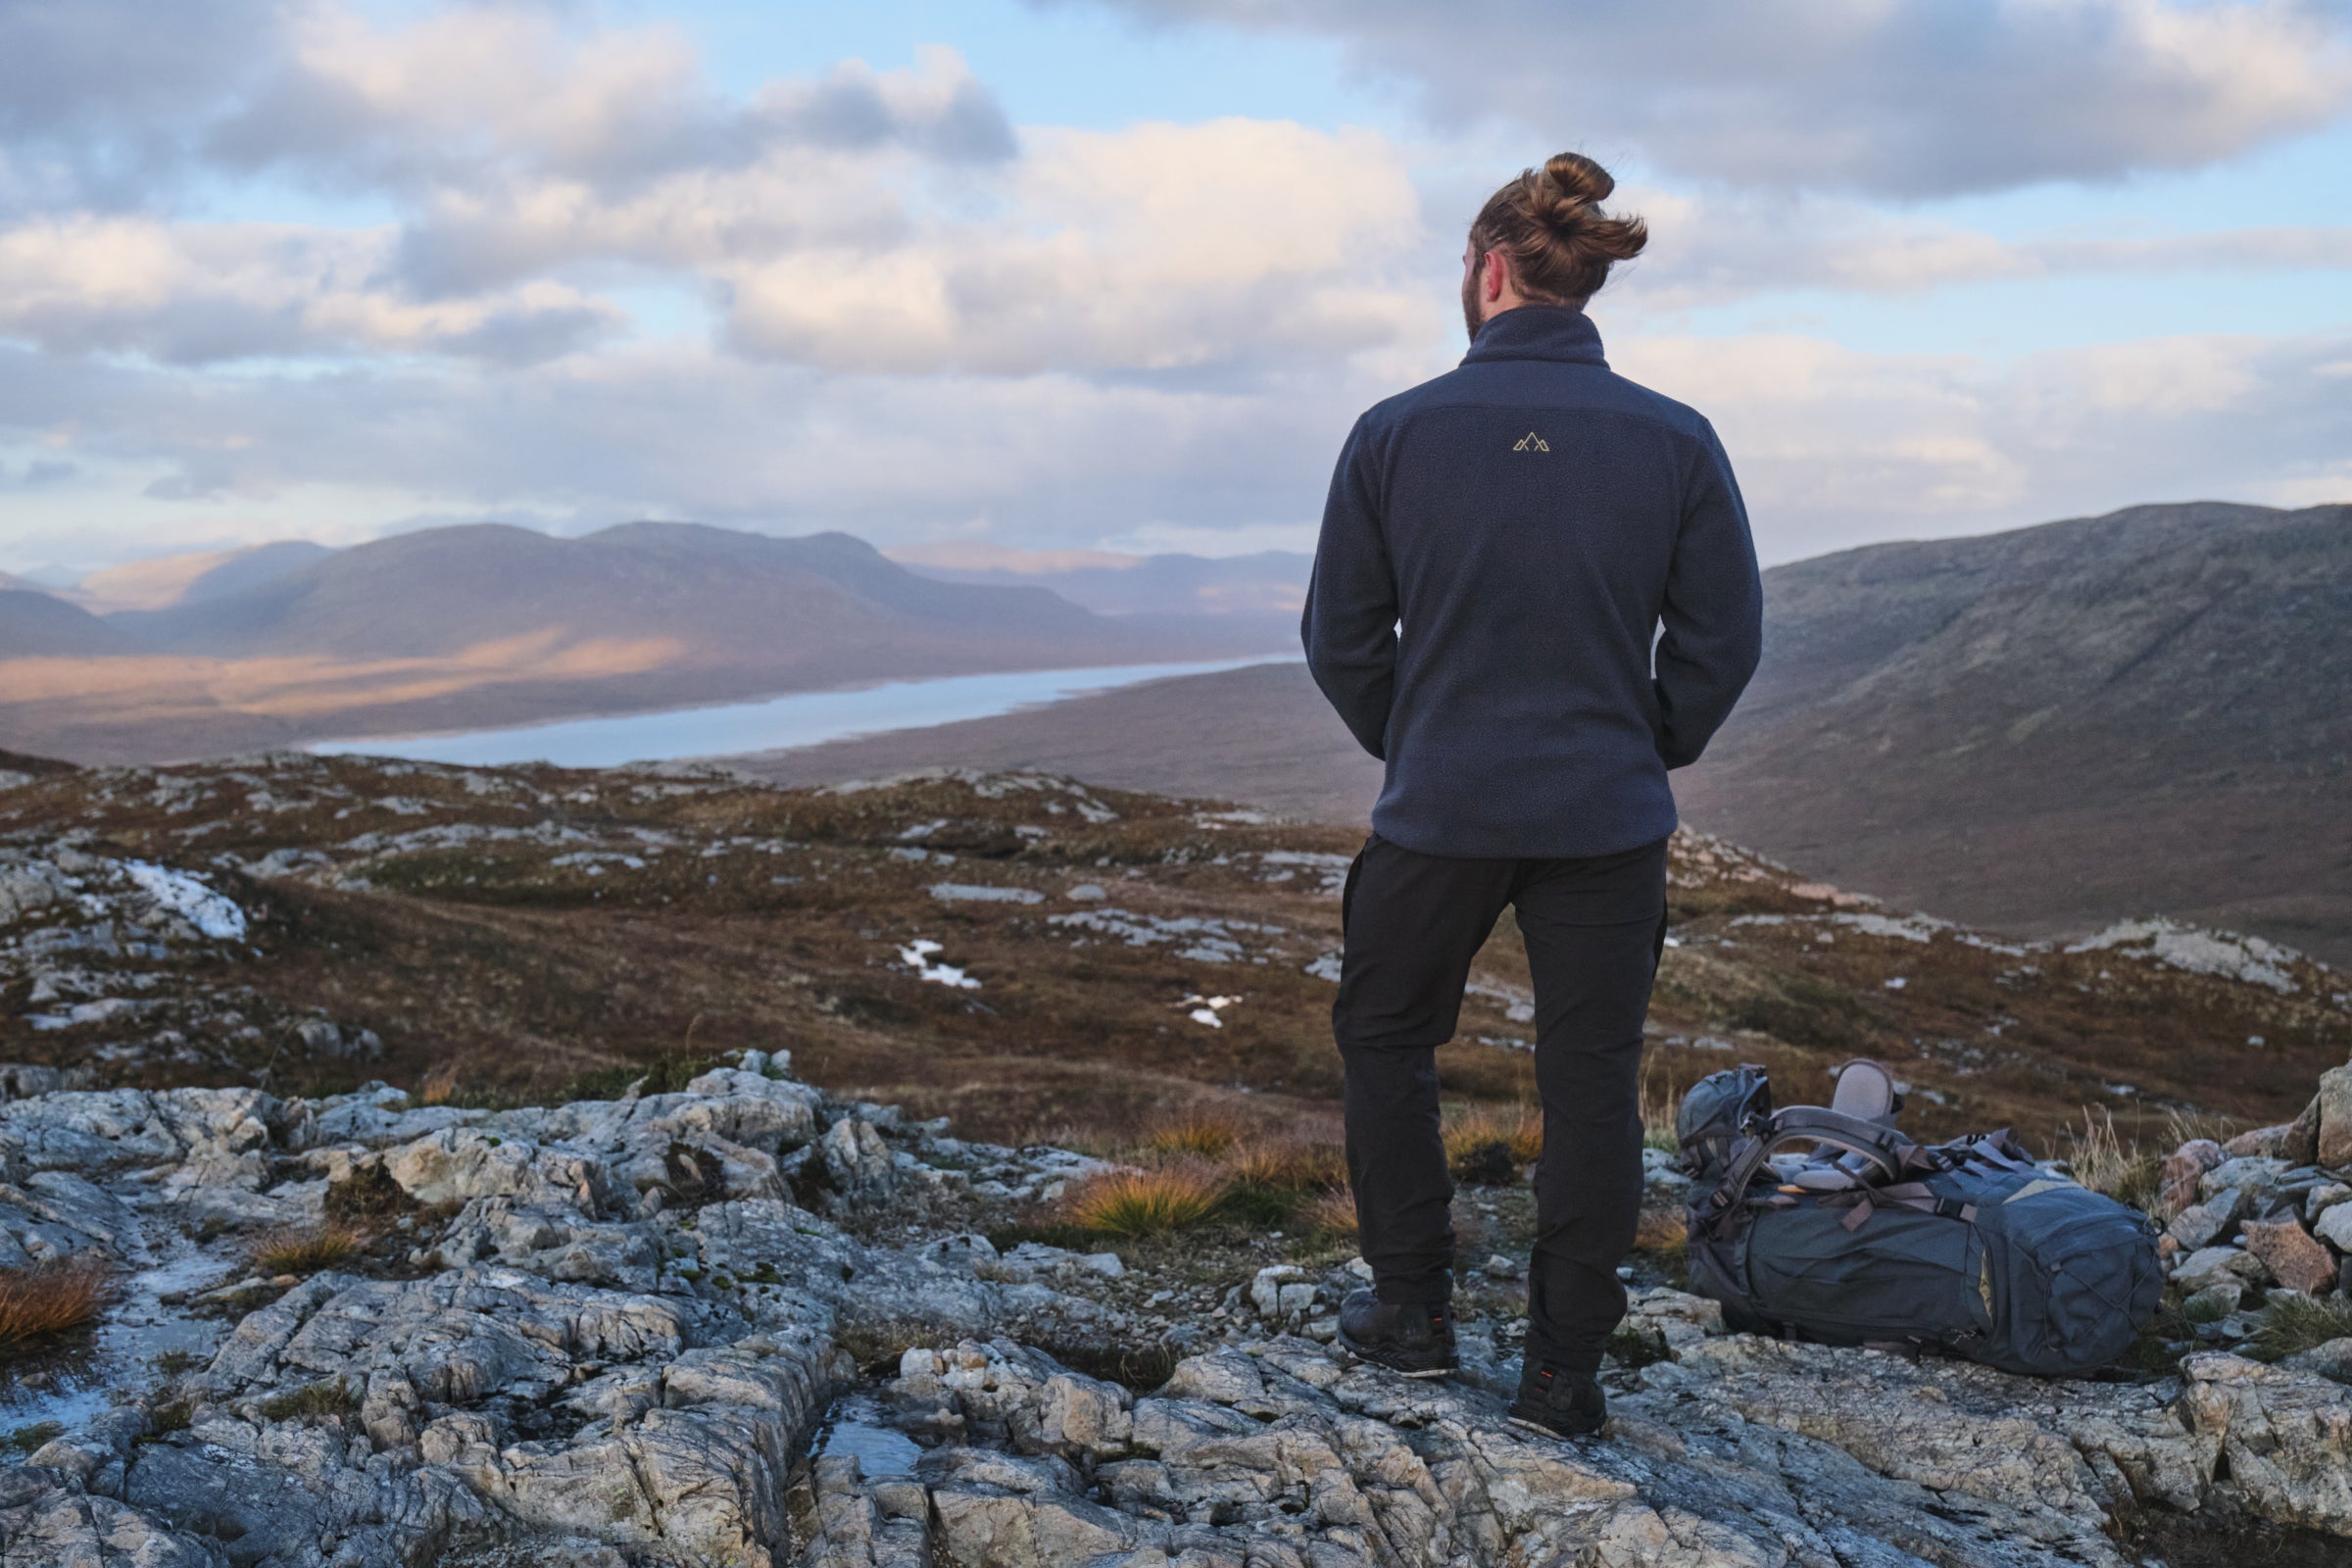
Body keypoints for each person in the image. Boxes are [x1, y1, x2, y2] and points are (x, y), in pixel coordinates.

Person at [1301, 151, 1763, 1440]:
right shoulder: (1677, 439)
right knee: (1594, 1079)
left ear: (1490, 270)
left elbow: (1342, 639)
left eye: (1465, 263)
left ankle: (1412, 1318)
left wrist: (1430, 744)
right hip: (1608, 824)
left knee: (1388, 1039)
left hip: (1437, 813)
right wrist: (1642, 743)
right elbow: (1724, 640)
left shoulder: (1393, 432)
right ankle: (1562, 1376)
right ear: (1579, 283)